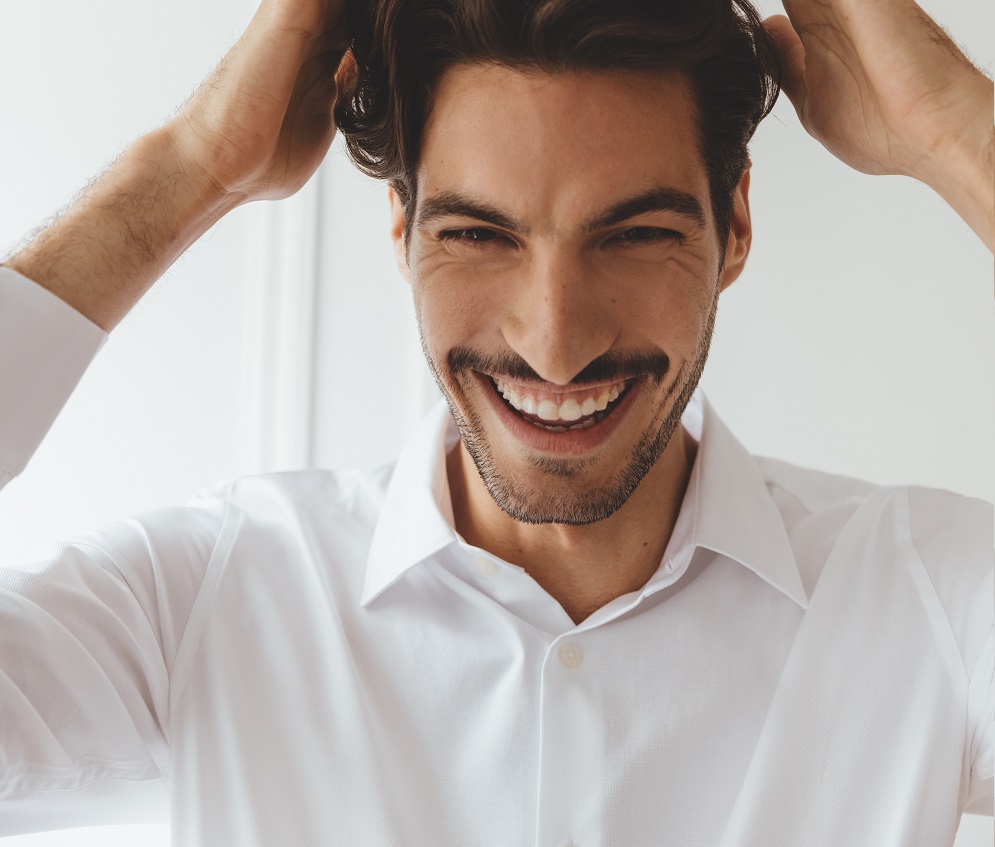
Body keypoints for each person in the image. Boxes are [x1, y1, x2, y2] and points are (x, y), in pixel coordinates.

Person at [0, 0, 991, 843]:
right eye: (477, 234)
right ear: (400, 228)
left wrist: (954, 129)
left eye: (636, 233)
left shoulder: (925, 600)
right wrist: (188, 165)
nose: (554, 341)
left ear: (733, 226)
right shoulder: (211, 595)